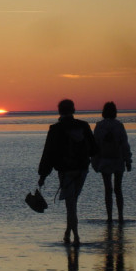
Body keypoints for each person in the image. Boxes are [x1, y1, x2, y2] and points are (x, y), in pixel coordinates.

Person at [38, 99, 96, 245]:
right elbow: (95, 149)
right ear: (73, 110)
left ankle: (75, 237)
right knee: (73, 203)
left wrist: (43, 175)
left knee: (70, 205)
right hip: (82, 170)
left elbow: (48, 154)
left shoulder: (56, 129)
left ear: (59, 111)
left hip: (66, 171)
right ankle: (68, 233)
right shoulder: (83, 126)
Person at [93, 102, 132, 223]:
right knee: (118, 189)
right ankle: (120, 216)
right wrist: (128, 161)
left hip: (105, 161)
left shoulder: (99, 126)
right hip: (118, 160)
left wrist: (95, 162)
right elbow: (125, 144)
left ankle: (109, 217)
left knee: (108, 189)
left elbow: (95, 146)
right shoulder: (119, 125)